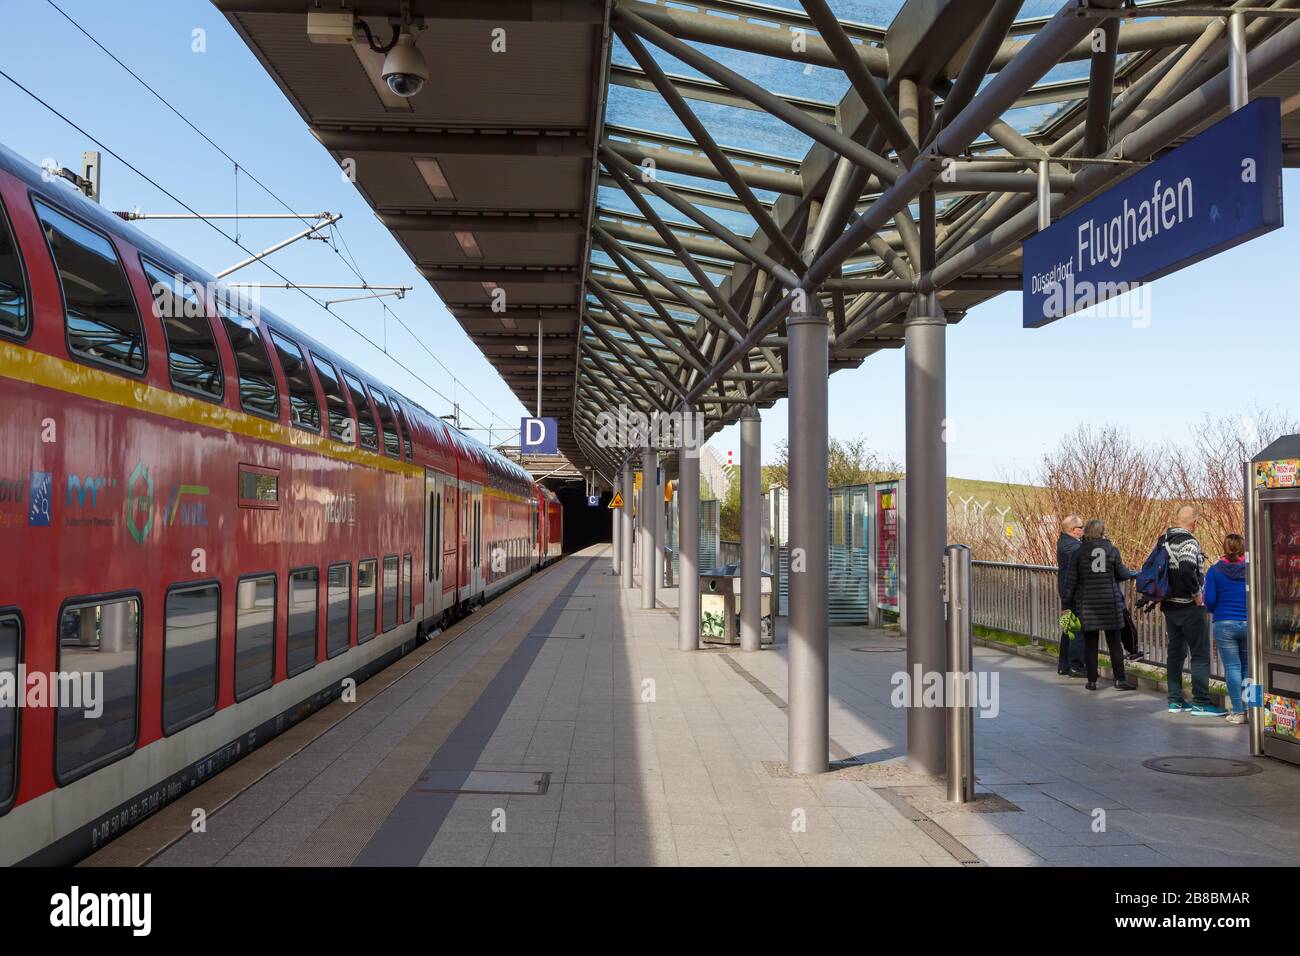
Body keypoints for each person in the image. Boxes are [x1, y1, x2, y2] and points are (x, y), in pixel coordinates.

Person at [1160, 505, 1227, 716]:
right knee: (1199, 654)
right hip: (1189, 607)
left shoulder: (1164, 540)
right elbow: (1187, 568)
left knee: (1175, 653)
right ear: (1194, 523)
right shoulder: (1189, 542)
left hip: (1169, 605)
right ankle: (1200, 702)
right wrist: (1197, 593)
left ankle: (1175, 700)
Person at [1063, 519, 1138, 691]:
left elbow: (1071, 582)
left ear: (1087, 532)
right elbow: (1122, 573)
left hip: (1087, 606)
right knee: (1114, 643)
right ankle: (1120, 680)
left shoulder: (1079, 552)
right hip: (1110, 604)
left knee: (1090, 644)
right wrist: (1133, 573)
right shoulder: (1112, 550)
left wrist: (1066, 605)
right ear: (1102, 532)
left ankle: (1091, 681)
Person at [1205, 533, 1249, 724]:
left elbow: (1210, 600)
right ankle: (1252, 710)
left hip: (1224, 623)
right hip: (1249, 623)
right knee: (1249, 668)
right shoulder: (1251, 570)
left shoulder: (1214, 571)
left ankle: (1238, 712)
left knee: (1233, 667)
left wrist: (1218, 611)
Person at [1056, 515, 1086, 677]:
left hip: (1067, 591)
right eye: (1081, 527)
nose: (1084, 529)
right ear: (1072, 530)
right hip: (1073, 593)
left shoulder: (1065, 542)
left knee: (1069, 629)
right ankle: (1076, 665)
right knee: (1077, 630)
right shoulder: (1072, 547)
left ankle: (1064, 664)